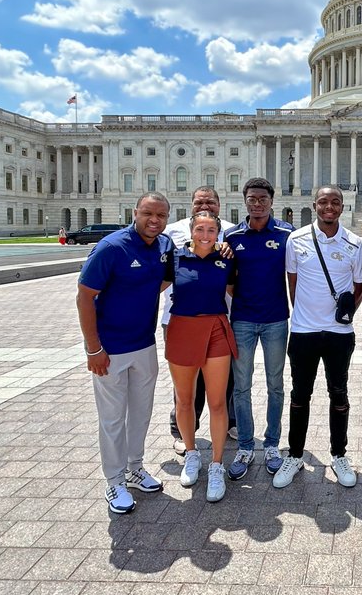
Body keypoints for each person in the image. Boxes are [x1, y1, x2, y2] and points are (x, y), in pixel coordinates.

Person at [76, 192, 174, 514]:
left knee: (141, 413)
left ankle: (135, 468)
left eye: (161, 215)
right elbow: (84, 297)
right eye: (148, 214)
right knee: (113, 418)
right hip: (111, 349)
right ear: (135, 213)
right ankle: (114, 480)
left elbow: (163, 280)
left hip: (144, 344)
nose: (154, 220)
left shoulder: (164, 246)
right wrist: (94, 348)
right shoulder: (111, 247)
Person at [273, 186, 362, 488]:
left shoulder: (354, 243)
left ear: (342, 207)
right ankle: (295, 455)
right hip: (304, 331)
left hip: (339, 333)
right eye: (323, 202)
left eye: (335, 202)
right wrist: (305, 313)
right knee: (300, 396)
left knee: (339, 394)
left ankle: (339, 454)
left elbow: (358, 286)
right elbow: (293, 282)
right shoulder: (296, 239)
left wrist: (345, 313)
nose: (329, 207)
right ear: (314, 206)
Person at [164, 210, 238, 503]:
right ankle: (192, 454)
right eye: (200, 229)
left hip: (216, 328)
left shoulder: (227, 258)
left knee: (217, 401)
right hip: (182, 328)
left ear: (218, 233)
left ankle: (217, 464)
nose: (205, 235)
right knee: (184, 400)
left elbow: (237, 291)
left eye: (211, 230)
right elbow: (150, 286)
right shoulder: (175, 257)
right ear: (191, 231)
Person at [223, 177, 294, 481]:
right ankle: (245, 446)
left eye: (262, 198)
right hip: (242, 320)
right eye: (252, 199)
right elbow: (226, 279)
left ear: (271, 201)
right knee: (241, 386)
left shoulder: (287, 234)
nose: (257, 203)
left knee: (275, 384)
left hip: (276, 319)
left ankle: (273, 444)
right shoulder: (232, 236)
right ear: (245, 201)